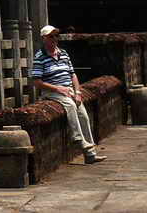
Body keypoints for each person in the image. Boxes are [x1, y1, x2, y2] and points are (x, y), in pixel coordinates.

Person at [31, 25, 106, 165]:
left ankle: (90, 153)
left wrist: (77, 92)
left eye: (55, 36)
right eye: (50, 36)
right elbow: (37, 81)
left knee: (82, 113)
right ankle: (79, 140)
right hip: (52, 91)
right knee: (70, 106)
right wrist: (58, 89)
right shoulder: (40, 57)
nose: (54, 39)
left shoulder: (63, 53)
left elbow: (73, 74)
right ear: (44, 39)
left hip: (69, 90)